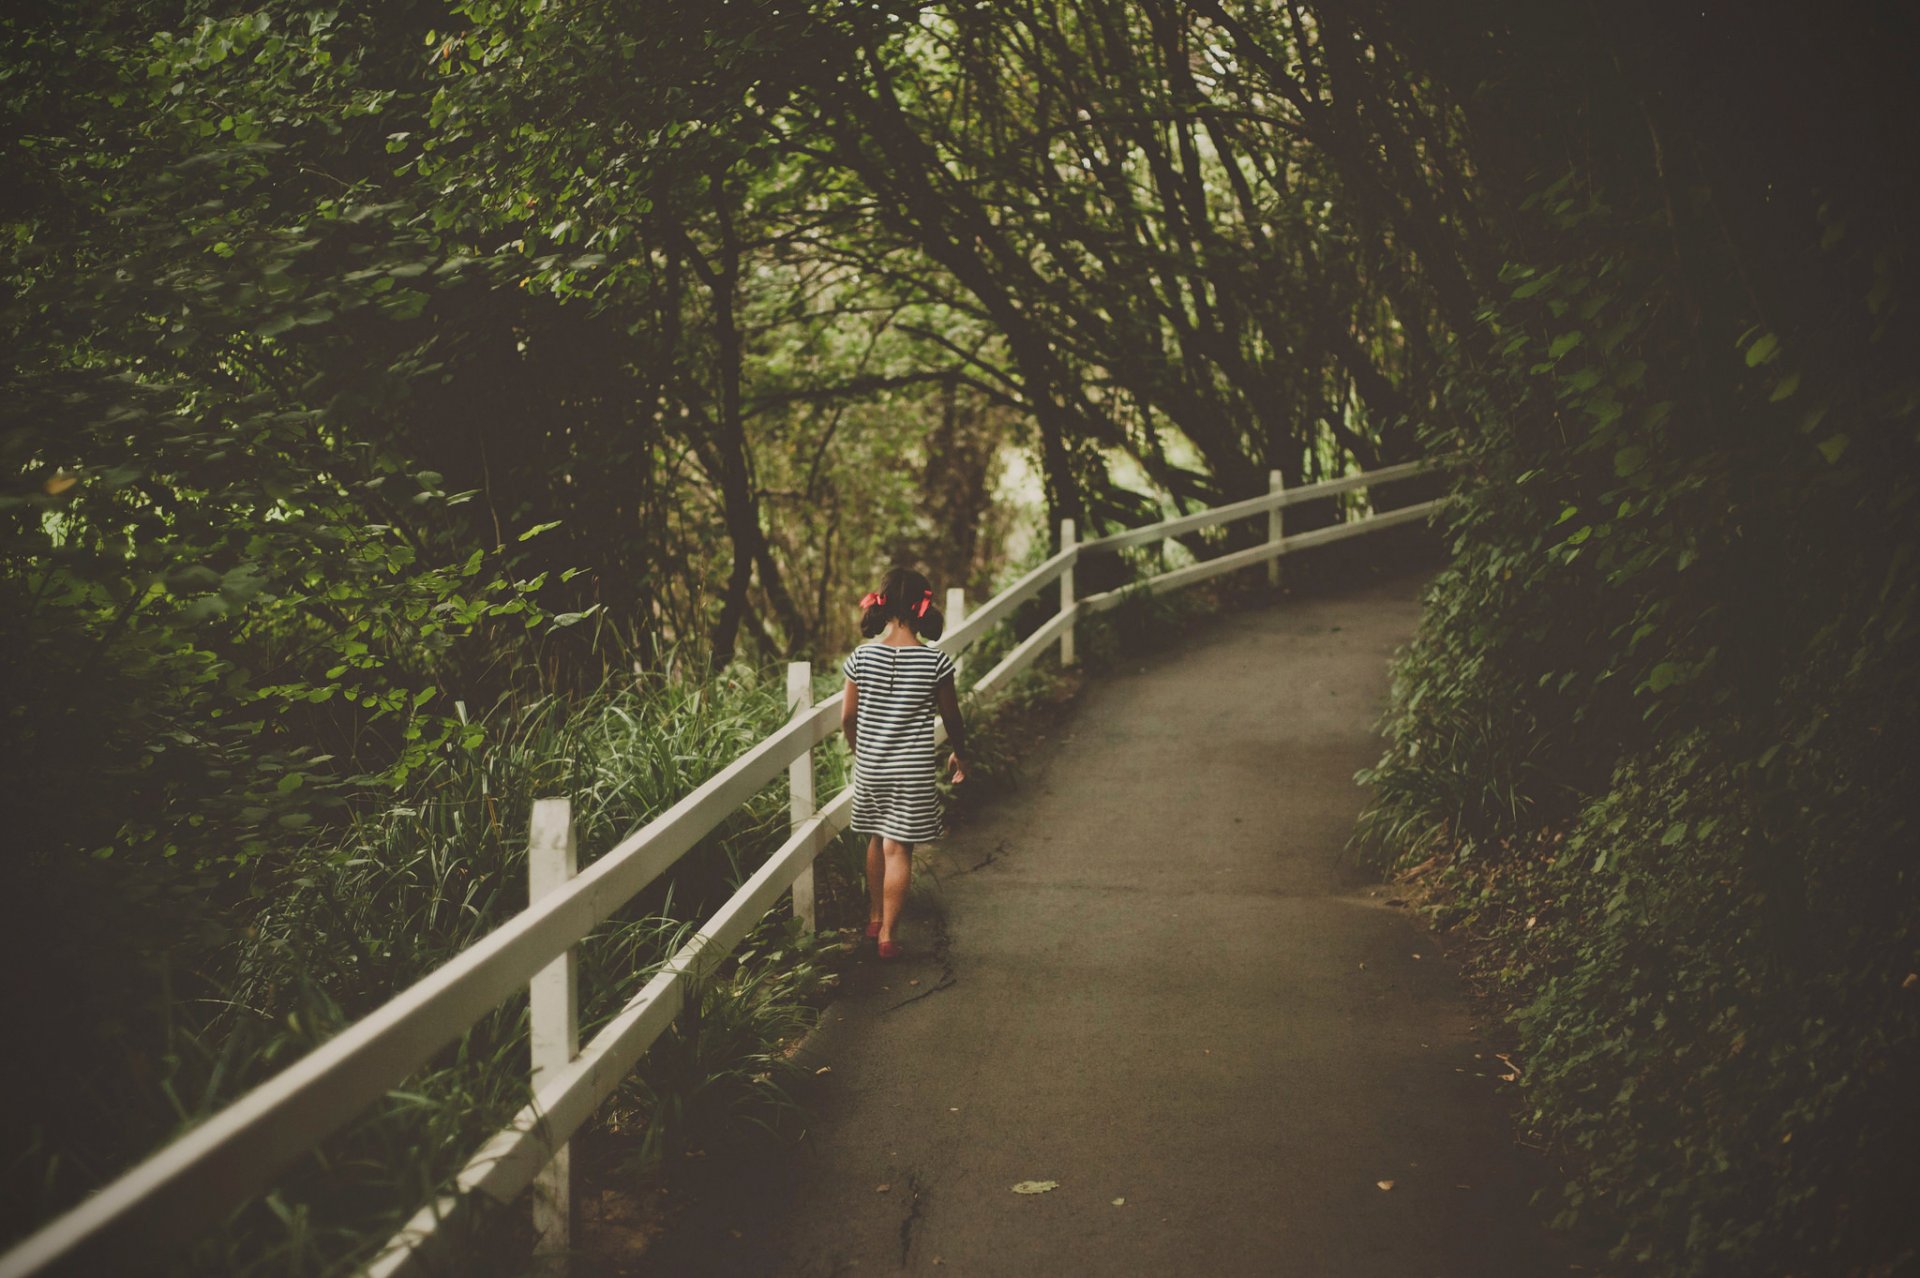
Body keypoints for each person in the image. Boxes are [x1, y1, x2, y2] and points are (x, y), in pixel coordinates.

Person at [840, 567, 970, 961]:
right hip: (910, 772)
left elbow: (848, 718)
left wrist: (857, 747)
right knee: (899, 848)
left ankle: (875, 917)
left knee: (876, 838)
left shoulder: (861, 657)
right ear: (922, 607)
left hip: (872, 768)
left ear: (883, 604)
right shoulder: (936, 663)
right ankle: (889, 938)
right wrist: (960, 753)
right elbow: (952, 718)